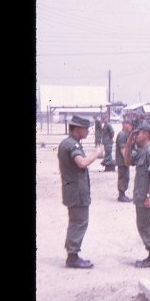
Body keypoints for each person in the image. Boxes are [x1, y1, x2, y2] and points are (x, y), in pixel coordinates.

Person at [57, 115, 104, 268]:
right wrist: (97, 153)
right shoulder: (72, 145)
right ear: (77, 129)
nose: (88, 131)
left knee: (75, 222)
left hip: (73, 190)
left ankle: (73, 254)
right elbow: (82, 163)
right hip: (77, 192)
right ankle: (72, 257)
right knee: (79, 222)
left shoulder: (69, 143)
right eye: (86, 129)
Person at [124, 122, 150, 268]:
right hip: (140, 195)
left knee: (146, 225)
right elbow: (127, 162)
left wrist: (149, 196)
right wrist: (128, 144)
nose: (136, 135)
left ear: (146, 134)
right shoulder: (141, 150)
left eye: (138, 133)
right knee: (143, 224)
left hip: (146, 197)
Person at [115, 120, 134, 202]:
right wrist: (127, 159)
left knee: (124, 177)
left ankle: (122, 194)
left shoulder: (125, 134)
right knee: (123, 177)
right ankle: (121, 195)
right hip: (122, 161)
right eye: (130, 125)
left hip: (123, 160)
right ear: (125, 125)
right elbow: (123, 149)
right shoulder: (122, 135)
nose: (131, 127)